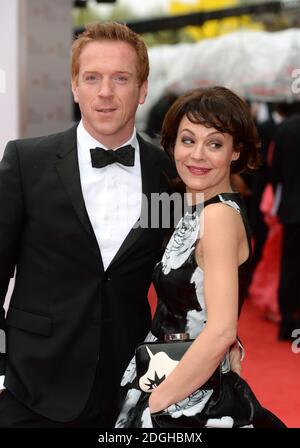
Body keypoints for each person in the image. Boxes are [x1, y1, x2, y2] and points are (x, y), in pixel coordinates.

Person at [0, 23, 241, 428]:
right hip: (31, 387)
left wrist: (224, 338)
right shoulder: (27, 162)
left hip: (131, 388)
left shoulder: (167, 175)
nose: (105, 92)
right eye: (92, 77)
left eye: (121, 78)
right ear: (75, 87)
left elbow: (180, 277)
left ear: (142, 89)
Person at [115, 87, 286, 428]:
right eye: (188, 140)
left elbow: (222, 330)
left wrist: (160, 402)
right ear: (173, 145)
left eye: (215, 143)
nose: (198, 155)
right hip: (172, 374)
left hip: (187, 395)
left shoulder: (218, 217)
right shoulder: (193, 206)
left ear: (236, 151)